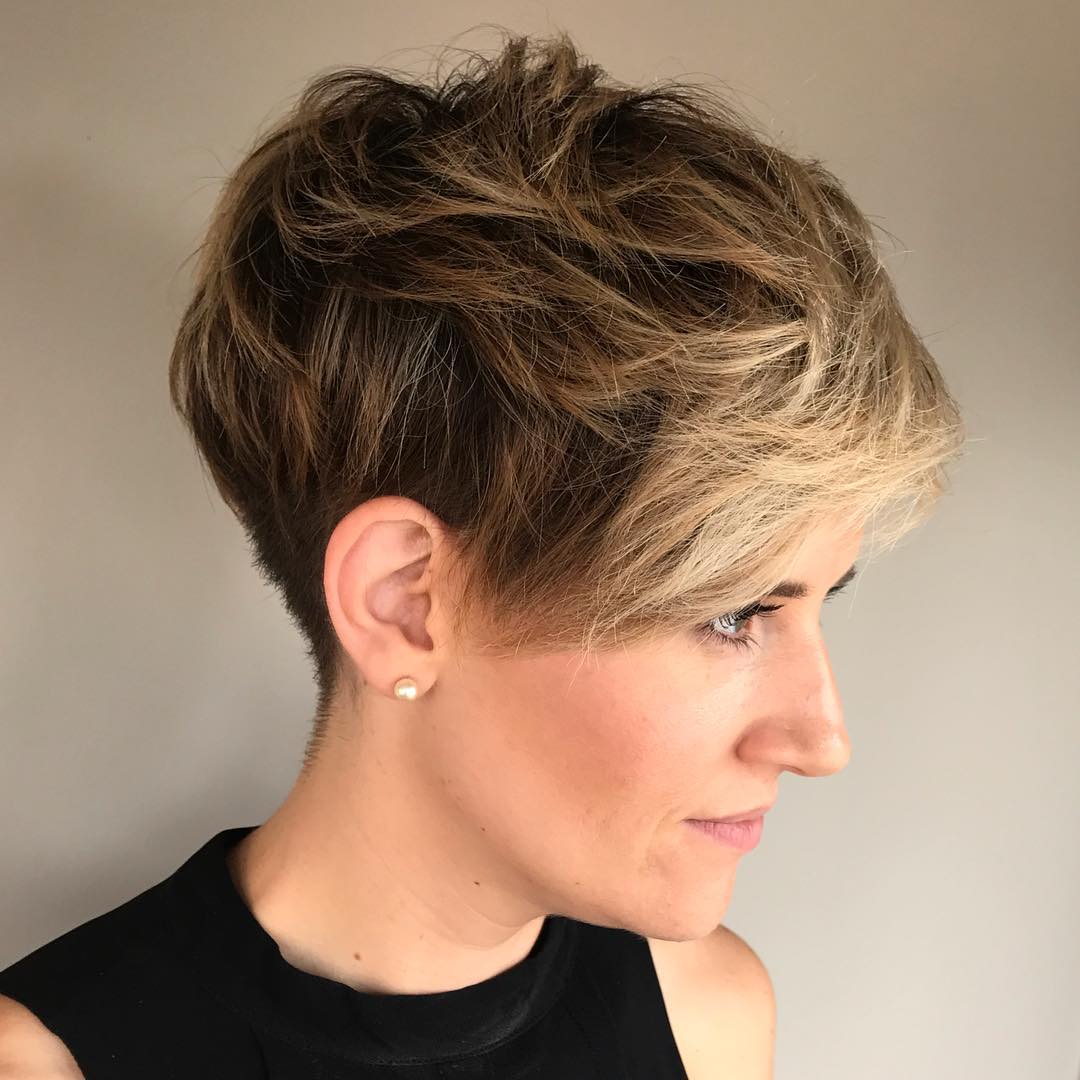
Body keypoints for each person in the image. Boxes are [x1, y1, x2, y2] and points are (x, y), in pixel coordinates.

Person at [0, 28, 966, 1079]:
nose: (823, 740)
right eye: (733, 613)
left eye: (823, 599)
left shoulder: (709, 1022)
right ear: (404, 601)